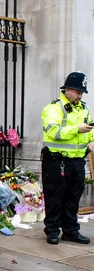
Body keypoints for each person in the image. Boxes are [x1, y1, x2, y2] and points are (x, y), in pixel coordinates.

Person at [41, 71, 94, 245]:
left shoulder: (84, 108)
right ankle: (53, 231)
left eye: (81, 93)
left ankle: (71, 231)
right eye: (77, 92)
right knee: (55, 197)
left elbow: (90, 128)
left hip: (77, 161)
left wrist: (91, 141)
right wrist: (77, 129)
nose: (80, 95)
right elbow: (53, 132)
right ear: (67, 90)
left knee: (73, 198)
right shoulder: (53, 108)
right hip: (57, 162)